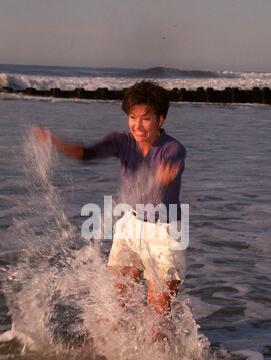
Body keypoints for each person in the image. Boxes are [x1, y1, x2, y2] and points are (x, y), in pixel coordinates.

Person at [33, 80, 187, 339]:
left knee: (159, 312)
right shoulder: (121, 142)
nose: (137, 125)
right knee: (116, 301)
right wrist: (57, 144)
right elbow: (88, 153)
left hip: (166, 232)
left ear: (160, 120)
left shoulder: (173, 148)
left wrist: (164, 176)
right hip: (130, 226)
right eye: (133, 117)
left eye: (146, 118)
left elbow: (173, 165)